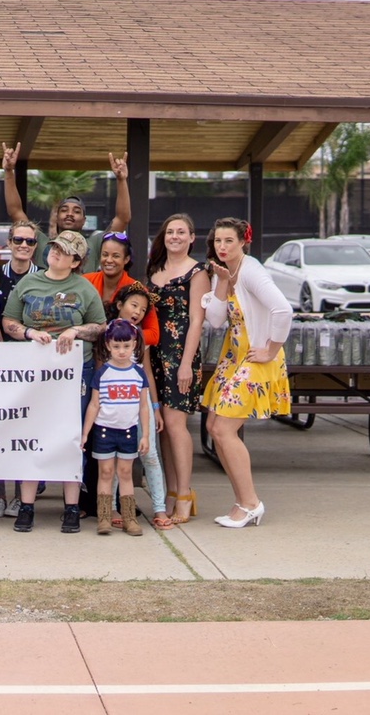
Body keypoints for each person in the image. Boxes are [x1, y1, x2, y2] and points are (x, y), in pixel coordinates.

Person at [1, 230, 107, 534]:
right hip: (35, 372)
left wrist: (76, 331)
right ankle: (27, 505)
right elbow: (9, 322)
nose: (56, 253)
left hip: (75, 371)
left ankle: (72, 506)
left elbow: (100, 327)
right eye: (55, 247)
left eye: (64, 251)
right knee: (32, 434)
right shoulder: (28, 283)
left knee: (72, 437)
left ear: (76, 261)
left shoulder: (84, 289)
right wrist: (29, 333)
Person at [200, 218, 291, 528]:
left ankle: (251, 503)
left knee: (225, 429)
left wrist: (271, 349)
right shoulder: (224, 272)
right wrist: (222, 283)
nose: (222, 247)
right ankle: (242, 502)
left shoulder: (253, 271)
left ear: (243, 242)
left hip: (257, 357)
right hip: (235, 356)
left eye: (229, 241)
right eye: (217, 241)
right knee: (214, 426)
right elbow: (213, 319)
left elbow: (283, 310)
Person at [146, 214, 211, 524]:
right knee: (164, 431)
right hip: (155, 355)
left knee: (176, 425)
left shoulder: (198, 272)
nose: (174, 236)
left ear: (191, 237)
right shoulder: (155, 270)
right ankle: (171, 493)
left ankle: (185, 493)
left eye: (181, 232)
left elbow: (198, 320)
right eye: (170, 231)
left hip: (180, 356)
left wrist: (186, 363)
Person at [1, 144, 132, 274]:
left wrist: (121, 180)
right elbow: (15, 211)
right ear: (56, 217)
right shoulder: (41, 242)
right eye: (64, 210)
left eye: (76, 211)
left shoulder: (94, 244)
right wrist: (8, 172)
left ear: (84, 220)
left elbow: (123, 218)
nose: (69, 214)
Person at [0, 219, 43, 518]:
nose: (24, 246)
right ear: (9, 243)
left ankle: (24, 496)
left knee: (27, 430)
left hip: (32, 366)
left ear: (36, 246)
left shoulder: (45, 278)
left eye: (30, 242)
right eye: (18, 240)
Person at [109, 283, 171, 530]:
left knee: (150, 455)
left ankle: (159, 508)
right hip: (113, 402)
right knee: (113, 458)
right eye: (134, 305)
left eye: (143, 310)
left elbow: (147, 372)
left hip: (140, 401)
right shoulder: (105, 334)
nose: (138, 312)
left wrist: (155, 406)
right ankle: (112, 507)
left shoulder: (141, 337)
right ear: (119, 305)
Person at [83, 319, 150, 537]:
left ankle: (129, 517)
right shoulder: (103, 374)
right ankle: (104, 517)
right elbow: (94, 404)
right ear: (108, 346)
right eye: (116, 346)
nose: (122, 351)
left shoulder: (138, 374)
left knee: (125, 473)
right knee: (106, 472)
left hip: (128, 430)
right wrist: (85, 433)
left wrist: (145, 435)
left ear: (134, 345)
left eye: (127, 346)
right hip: (104, 430)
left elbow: (143, 407)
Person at [84, 232, 160, 344]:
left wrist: (121, 334)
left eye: (116, 256)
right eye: (105, 254)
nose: (109, 260)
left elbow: (154, 334)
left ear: (126, 259)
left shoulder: (138, 290)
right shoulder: (85, 281)